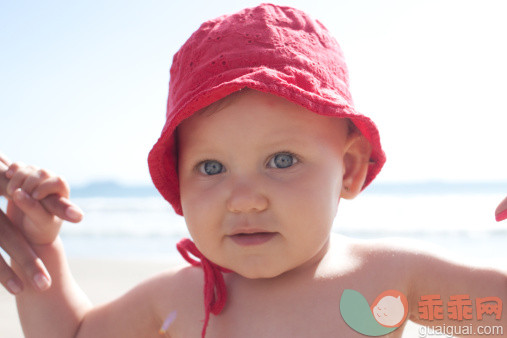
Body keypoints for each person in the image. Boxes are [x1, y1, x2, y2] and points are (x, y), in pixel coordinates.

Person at [0, 4, 505, 338]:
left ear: (349, 169)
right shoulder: (177, 298)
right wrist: (42, 245)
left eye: (281, 161)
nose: (242, 199)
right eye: (211, 166)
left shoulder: (388, 281)